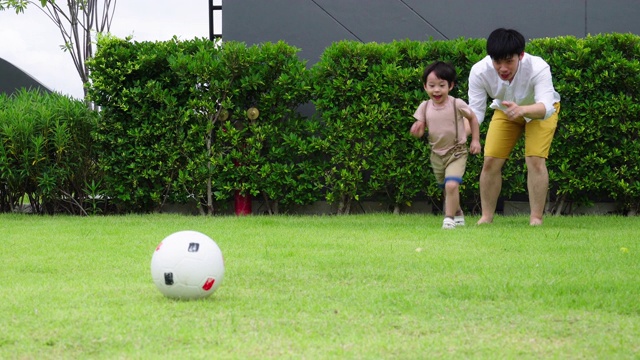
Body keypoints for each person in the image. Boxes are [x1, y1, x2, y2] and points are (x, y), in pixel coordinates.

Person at [468, 28, 561, 226]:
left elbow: (545, 107)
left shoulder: (538, 67)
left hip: (539, 110)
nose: (502, 68)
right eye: (497, 62)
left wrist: (523, 110)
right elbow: (475, 113)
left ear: (521, 55)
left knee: (535, 160)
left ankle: (536, 218)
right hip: (505, 110)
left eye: (508, 61)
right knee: (490, 160)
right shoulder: (479, 71)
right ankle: (486, 218)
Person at [410, 61, 481, 229]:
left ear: (451, 86)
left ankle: (448, 219)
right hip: (437, 154)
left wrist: (475, 140)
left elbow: (473, 118)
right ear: (425, 86)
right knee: (447, 187)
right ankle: (457, 213)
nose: (436, 90)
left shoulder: (457, 104)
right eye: (432, 85)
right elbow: (420, 129)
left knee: (451, 184)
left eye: (441, 85)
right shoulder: (425, 106)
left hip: (457, 152)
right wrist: (417, 130)